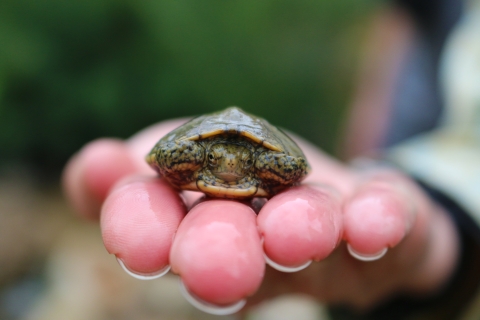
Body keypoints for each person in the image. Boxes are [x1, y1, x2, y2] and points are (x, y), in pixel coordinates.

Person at [63, 0, 480, 319]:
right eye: (218, 152)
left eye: (235, 154)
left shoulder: (264, 164)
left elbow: (295, 167)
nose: (227, 160)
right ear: (210, 153)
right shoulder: (197, 157)